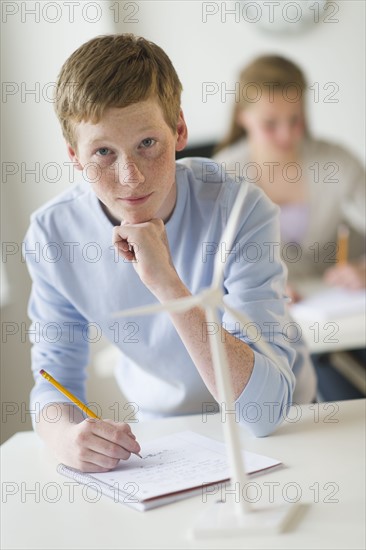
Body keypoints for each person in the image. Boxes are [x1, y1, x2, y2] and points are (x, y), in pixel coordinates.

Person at [24, 35, 316, 473]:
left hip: (285, 424)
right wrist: (63, 437)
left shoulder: (240, 209)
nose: (130, 177)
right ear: (73, 156)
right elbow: (52, 376)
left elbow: (264, 412)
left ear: (178, 130)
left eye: (147, 143)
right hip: (166, 434)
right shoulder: (52, 235)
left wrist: (167, 284)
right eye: (103, 152)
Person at [214, 55, 365, 400]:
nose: (286, 134)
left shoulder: (336, 163)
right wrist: (261, 288)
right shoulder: (221, 176)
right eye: (271, 123)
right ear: (243, 118)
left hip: (342, 323)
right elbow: (202, 264)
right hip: (265, 331)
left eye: (295, 120)